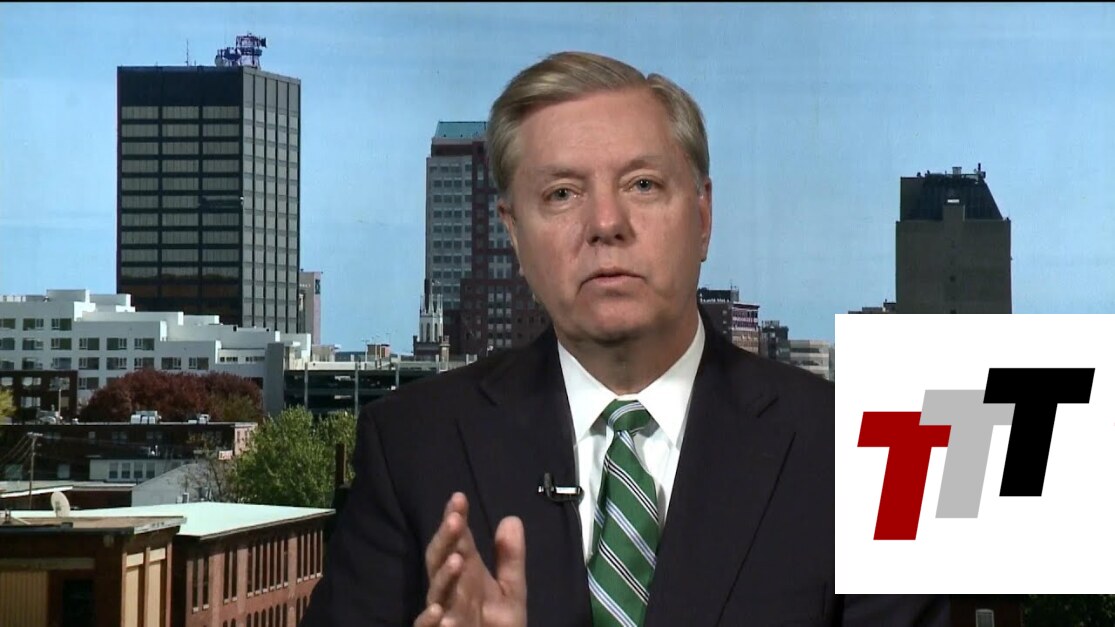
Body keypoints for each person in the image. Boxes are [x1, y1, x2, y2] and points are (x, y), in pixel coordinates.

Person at [301, 51, 949, 627]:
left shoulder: (862, 452)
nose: (606, 223)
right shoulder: (411, 447)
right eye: (562, 193)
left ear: (702, 216)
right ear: (514, 233)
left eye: (642, 185)